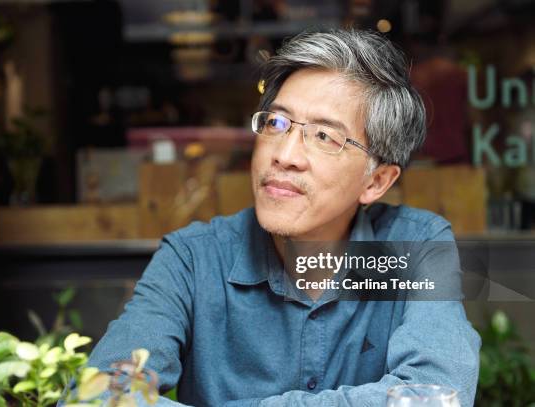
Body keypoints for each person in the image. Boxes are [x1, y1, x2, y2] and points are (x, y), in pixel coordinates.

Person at [85, 29, 480, 406]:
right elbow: (100, 397)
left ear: (376, 181)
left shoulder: (416, 247)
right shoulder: (193, 259)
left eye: (324, 136)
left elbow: (436, 393)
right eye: (276, 123)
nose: (284, 155)